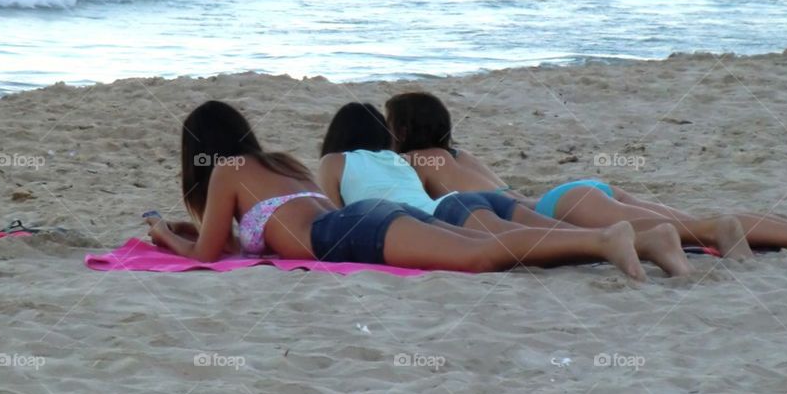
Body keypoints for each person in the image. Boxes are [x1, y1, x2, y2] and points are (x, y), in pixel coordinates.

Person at [145, 100, 651, 279]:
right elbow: (243, 242)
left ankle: (603, 241)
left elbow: (210, 257)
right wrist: (192, 229)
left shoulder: (227, 169)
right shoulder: (280, 165)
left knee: (481, 257)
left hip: (347, 231)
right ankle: (611, 244)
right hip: (363, 218)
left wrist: (168, 237)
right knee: (484, 251)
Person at [384, 91, 787, 258]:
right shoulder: (462, 155)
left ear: (405, 130)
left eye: (391, 126)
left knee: (693, 229)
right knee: (687, 218)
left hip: (553, 206)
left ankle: (721, 230)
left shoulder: (418, 162)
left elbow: (405, 202)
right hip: (579, 190)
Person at [317, 102, 693, 276]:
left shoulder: (333, 161)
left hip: (438, 215)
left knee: (520, 245)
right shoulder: (398, 160)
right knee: (547, 234)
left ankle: (635, 243)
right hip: (473, 201)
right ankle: (647, 240)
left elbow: (330, 215)